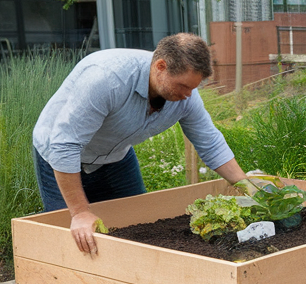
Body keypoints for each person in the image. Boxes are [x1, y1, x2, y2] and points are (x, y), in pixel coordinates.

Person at [33, 33, 256, 255]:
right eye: (183, 86)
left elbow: (210, 143)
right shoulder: (107, 80)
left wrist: (246, 185)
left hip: (115, 157)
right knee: (72, 239)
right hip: (60, 157)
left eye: (193, 88)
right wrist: (80, 212)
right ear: (161, 66)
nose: (188, 95)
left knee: (138, 228)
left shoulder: (186, 97)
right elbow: (65, 146)